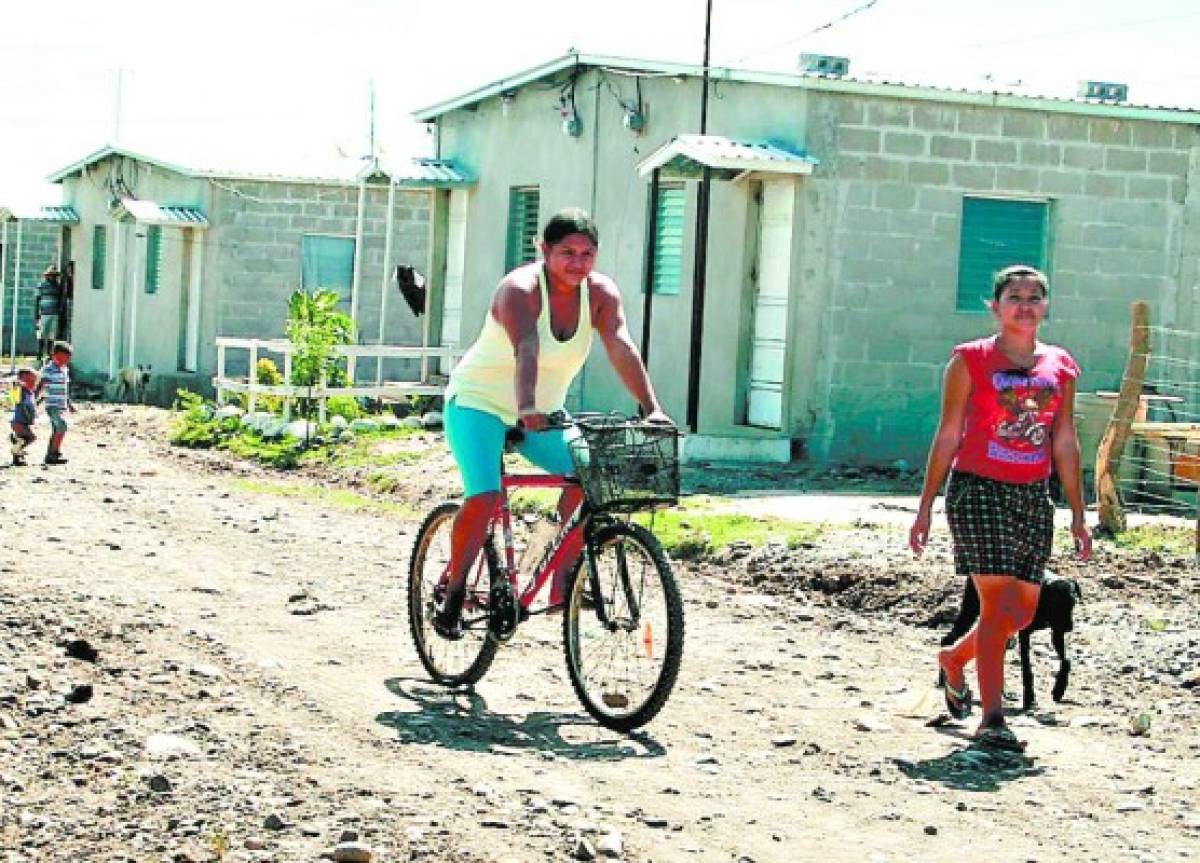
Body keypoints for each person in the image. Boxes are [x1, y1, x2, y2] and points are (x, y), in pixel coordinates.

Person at [434, 208, 670, 639]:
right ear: (544, 251)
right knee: (485, 496)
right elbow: (527, 346)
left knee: (590, 478)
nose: (578, 263)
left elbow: (619, 343)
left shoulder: (599, 294)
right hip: (479, 404)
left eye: (587, 253)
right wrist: (525, 406)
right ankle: (453, 590)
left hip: (542, 414)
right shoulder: (520, 289)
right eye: (567, 253)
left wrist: (650, 406)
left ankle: (560, 575)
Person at [908, 265, 1091, 752]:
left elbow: (1065, 440)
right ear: (995, 305)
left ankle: (954, 658)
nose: (1025, 305)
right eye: (1014, 297)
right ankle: (992, 718)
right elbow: (948, 434)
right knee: (995, 606)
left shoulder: (1061, 366)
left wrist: (1077, 510)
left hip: (1033, 493)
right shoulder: (969, 360)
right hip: (979, 488)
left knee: (1022, 613)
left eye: (1035, 297)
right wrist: (925, 506)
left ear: (1046, 305)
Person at [38, 341, 75, 466]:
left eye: (67, 359)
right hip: (52, 404)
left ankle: (53, 453)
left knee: (57, 429)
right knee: (61, 426)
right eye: (62, 358)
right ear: (54, 355)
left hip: (61, 405)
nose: (65, 361)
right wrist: (35, 400)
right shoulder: (48, 369)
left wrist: (69, 403)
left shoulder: (64, 370)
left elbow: (64, 389)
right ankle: (53, 453)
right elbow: (41, 385)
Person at [34, 264, 66, 363]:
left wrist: (60, 311)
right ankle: (39, 355)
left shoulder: (58, 287)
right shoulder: (41, 286)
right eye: (51, 275)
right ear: (47, 276)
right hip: (44, 313)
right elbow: (37, 300)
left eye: (54, 275)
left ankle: (49, 355)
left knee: (52, 336)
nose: (53, 277)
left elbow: (61, 300)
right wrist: (36, 314)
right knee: (42, 335)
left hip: (54, 314)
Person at [9, 367, 38, 466]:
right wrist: (18, 384)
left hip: (24, 422)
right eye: (30, 380)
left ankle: (17, 455)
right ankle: (15, 448)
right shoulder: (21, 391)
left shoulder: (30, 393)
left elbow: (32, 405)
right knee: (30, 437)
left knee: (24, 439)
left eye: (34, 380)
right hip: (18, 421)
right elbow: (14, 397)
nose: (33, 383)